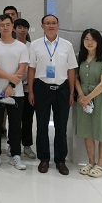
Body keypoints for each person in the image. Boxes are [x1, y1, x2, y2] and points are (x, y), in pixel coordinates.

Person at [28, 14, 77, 175]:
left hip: (62, 89)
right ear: (42, 26)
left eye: (54, 23)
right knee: (42, 126)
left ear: (58, 25)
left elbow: (71, 70)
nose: (51, 25)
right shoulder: (35, 45)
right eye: (47, 23)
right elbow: (31, 69)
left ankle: (60, 160)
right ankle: (44, 159)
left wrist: (71, 92)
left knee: (61, 127)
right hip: (42, 88)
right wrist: (31, 91)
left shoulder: (67, 45)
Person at [0, 14, 28, 171]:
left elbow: (22, 68)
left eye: (8, 24)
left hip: (17, 92)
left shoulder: (21, 47)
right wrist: (10, 77)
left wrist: (11, 85)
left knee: (16, 125)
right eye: (2, 25)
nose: (5, 27)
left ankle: (16, 155)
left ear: (13, 26)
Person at [75, 28, 102, 178]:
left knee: (101, 129)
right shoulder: (79, 57)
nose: (89, 42)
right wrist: (81, 96)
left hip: (99, 97)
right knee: (87, 131)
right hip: (83, 98)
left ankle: (100, 164)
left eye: (93, 39)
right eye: (86, 39)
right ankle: (91, 162)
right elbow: (75, 78)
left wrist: (88, 97)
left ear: (98, 41)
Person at [14, 18, 36, 159]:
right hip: (13, 86)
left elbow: (34, 67)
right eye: (19, 27)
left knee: (27, 118)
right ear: (14, 29)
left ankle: (27, 145)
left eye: (25, 28)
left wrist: (28, 83)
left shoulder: (32, 47)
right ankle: (13, 144)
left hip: (28, 88)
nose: (22, 30)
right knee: (14, 119)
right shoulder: (11, 44)